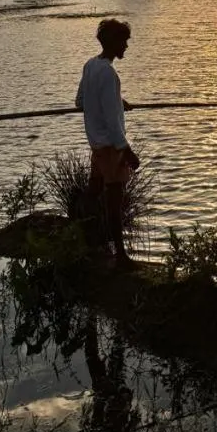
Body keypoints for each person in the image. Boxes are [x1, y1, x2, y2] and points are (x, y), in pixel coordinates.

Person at [75, 18, 140, 268]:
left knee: (93, 193)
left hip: (96, 146)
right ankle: (121, 257)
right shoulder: (110, 74)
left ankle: (84, 235)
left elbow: (80, 101)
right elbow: (114, 124)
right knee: (115, 202)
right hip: (111, 148)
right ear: (112, 42)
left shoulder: (90, 66)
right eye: (123, 41)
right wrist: (128, 152)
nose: (126, 46)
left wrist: (115, 100)